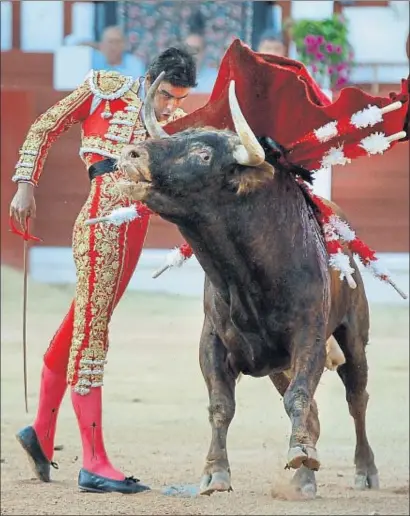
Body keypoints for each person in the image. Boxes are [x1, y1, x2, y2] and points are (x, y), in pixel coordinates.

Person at [10, 46, 197, 494]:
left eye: (180, 98)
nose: (173, 106)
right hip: (100, 224)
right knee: (93, 332)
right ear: (150, 79)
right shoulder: (105, 90)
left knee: (85, 319)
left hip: (133, 230)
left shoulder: (171, 122)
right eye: (168, 95)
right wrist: (24, 187)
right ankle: (93, 462)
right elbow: (43, 126)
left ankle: (41, 430)